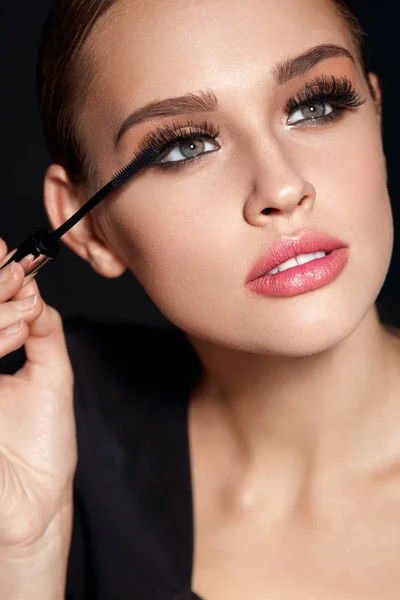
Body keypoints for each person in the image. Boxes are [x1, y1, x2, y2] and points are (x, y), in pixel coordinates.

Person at [0, 0, 399, 598]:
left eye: (314, 105)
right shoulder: (48, 449)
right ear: (85, 229)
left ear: (376, 115)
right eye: (183, 146)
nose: (283, 187)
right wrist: (22, 558)